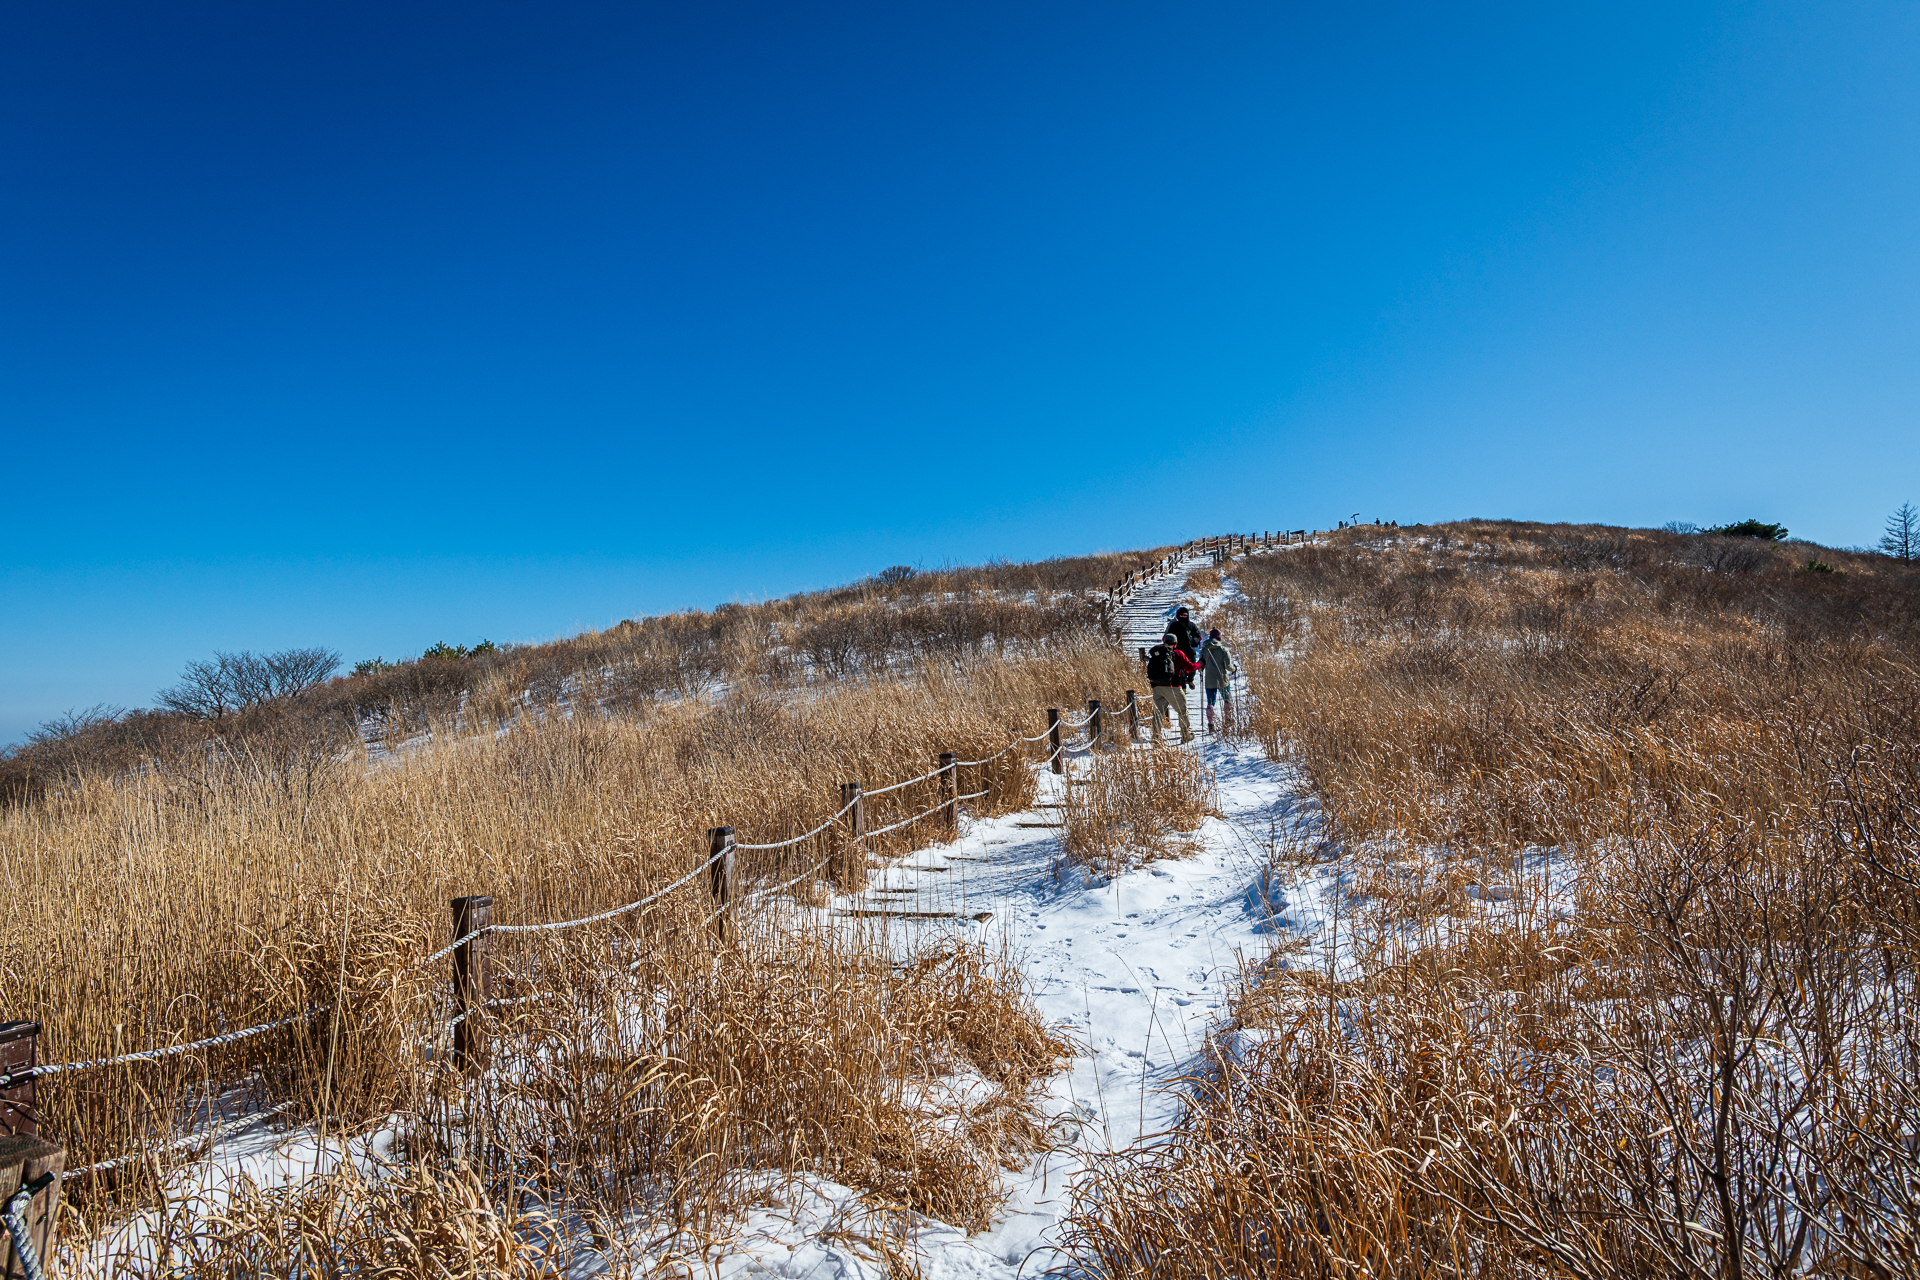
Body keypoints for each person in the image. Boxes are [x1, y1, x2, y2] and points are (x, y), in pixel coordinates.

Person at [1145, 631, 1200, 744]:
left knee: (1158, 713)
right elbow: (1190, 667)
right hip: (1173, 686)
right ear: (1175, 643)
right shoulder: (1178, 653)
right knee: (1182, 711)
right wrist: (1201, 663)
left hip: (1157, 687)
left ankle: (1156, 737)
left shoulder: (1157, 653)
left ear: (1164, 641)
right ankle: (1185, 735)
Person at [1201, 627, 1236, 731]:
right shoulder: (1223, 650)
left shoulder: (1204, 650)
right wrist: (1234, 669)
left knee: (1210, 702)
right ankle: (1227, 720)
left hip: (1209, 680)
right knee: (1226, 700)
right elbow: (1228, 666)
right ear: (1219, 638)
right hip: (1222, 679)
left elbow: (1201, 665)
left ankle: (1211, 724)